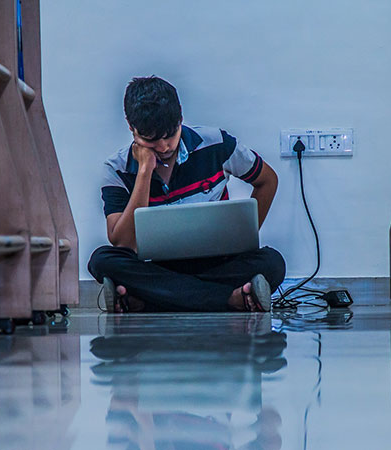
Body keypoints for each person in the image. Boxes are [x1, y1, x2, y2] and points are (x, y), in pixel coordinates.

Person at [88, 76, 286, 313]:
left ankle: (147, 301)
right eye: (150, 140)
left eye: (169, 135)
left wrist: (244, 235)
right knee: (102, 261)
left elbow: (267, 180)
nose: (163, 147)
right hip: (156, 267)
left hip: (217, 263)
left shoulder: (216, 143)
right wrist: (143, 172)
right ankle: (229, 299)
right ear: (131, 128)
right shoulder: (117, 168)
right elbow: (122, 242)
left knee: (273, 263)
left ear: (180, 117)